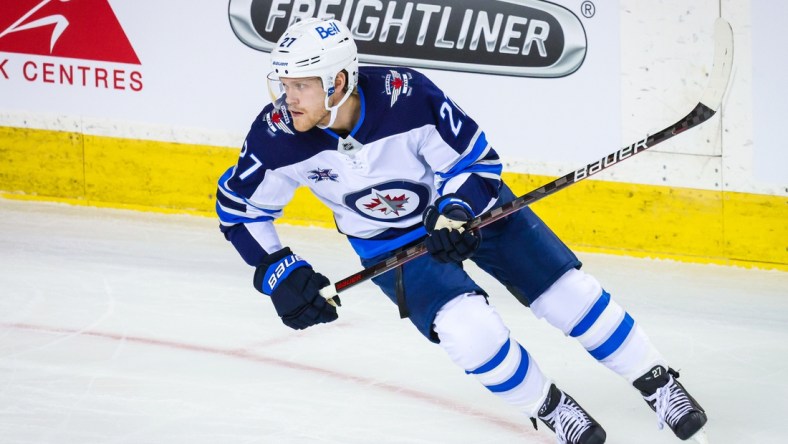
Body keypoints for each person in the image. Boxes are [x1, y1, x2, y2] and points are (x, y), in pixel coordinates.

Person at [215, 18, 707, 444]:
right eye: (284, 84)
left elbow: (477, 160)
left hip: (471, 212)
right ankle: (551, 407)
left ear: (338, 81)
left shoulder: (407, 96)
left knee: (566, 294)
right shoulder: (276, 135)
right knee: (469, 332)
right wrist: (277, 270)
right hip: (389, 243)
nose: (288, 97)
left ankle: (657, 382)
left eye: (300, 85)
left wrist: (455, 208)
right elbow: (238, 209)